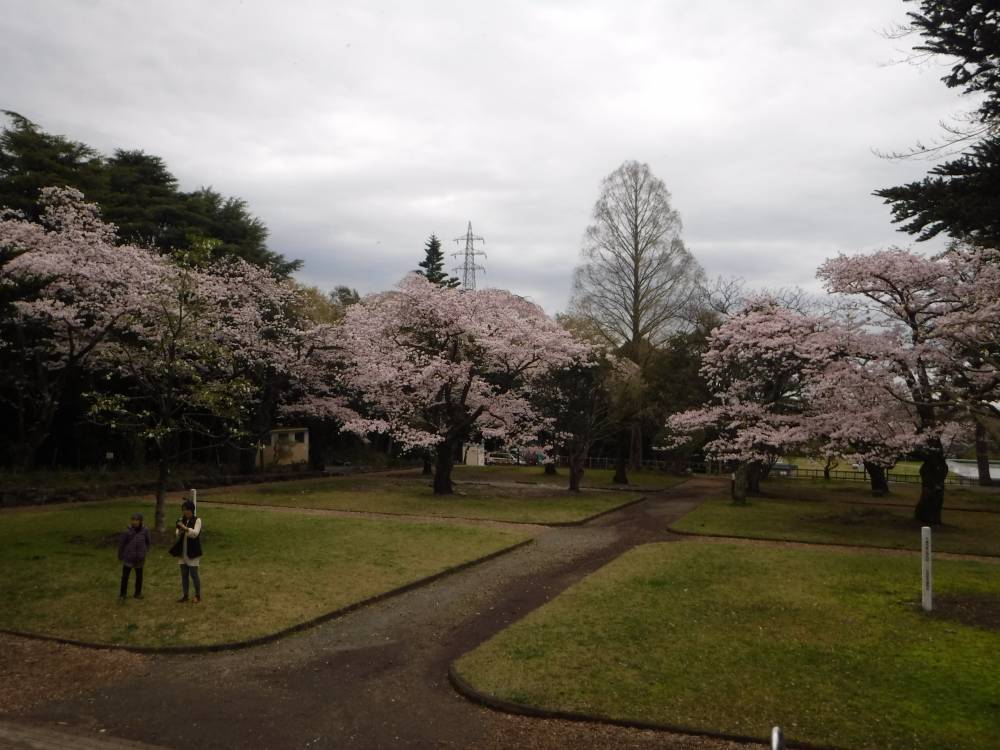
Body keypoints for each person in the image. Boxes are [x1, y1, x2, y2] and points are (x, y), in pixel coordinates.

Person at [171, 499, 203, 603]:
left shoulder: (197, 520)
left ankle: (197, 595)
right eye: (184, 510)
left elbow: (195, 534)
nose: (185, 512)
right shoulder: (181, 520)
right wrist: (179, 531)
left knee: (194, 574)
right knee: (184, 575)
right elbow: (177, 534)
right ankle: (185, 595)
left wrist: (185, 528)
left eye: (187, 510)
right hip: (182, 551)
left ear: (192, 510)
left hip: (193, 552)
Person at [117, 512, 150, 601]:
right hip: (128, 557)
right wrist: (120, 555)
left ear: (140, 521)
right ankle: (123, 594)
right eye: (133, 520)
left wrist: (144, 551)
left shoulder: (145, 530)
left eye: (137, 520)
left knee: (139, 576)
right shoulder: (127, 531)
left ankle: (137, 593)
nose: (135, 522)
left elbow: (147, 542)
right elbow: (122, 544)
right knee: (125, 576)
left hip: (139, 557)